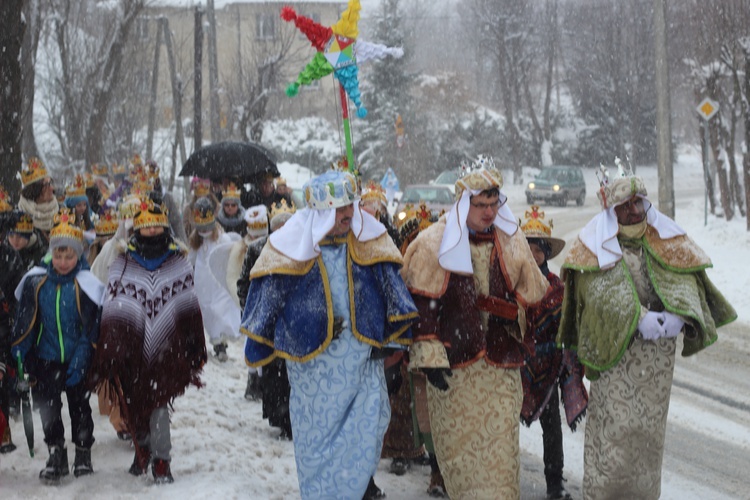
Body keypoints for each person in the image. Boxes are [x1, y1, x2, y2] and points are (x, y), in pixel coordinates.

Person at [557, 160, 737, 499]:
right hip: (615, 359)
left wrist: (679, 317)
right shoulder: (595, 244)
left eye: (637, 203)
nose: (632, 211)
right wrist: (636, 317)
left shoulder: (666, 239)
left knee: (647, 437)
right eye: (624, 206)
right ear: (612, 208)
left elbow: (687, 285)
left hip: (655, 364)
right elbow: (593, 296)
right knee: (614, 435)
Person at [241, 169, 418, 499]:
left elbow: (392, 293)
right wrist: (267, 342)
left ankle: (357, 490)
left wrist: (389, 341)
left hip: (360, 368)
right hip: (313, 376)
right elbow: (268, 301)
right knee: (317, 447)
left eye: (350, 205)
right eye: (339, 208)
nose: (349, 213)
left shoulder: (369, 241)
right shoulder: (290, 248)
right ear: (320, 213)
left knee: (364, 434)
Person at [401, 155, 549, 499]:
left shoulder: (511, 241)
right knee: (464, 468)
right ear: (463, 202)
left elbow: (534, 297)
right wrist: (429, 356)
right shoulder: (433, 243)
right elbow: (422, 307)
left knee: (500, 467)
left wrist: (512, 314)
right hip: (456, 375)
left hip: (500, 372)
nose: (489, 213)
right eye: (480, 204)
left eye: (494, 204)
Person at [89, 197, 206, 483]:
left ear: (164, 227)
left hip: (168, 349)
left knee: (159, 401)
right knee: (135, 401)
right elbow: (114, 304)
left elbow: (187, 304)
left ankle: (162, 460)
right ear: (136, 229)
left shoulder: (178, 262)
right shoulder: (122, 262)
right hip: (132, 347)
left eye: (157, 226)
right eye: (146, 226)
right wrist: (113, 345)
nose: (152, 231)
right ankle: (141, 447)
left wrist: (192, 343)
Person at [11, 207, 104, 482]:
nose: (63, 262)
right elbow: (26, 320)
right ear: (51, 253)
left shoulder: (86, 285)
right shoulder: (36, 282)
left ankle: (83, 453)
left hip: (78, 357)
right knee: (48, 408)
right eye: (59, 255)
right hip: (46, 357)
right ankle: (56, 454)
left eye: (70, 255)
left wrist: (83, 356)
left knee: (80, 408)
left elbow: (91, 328)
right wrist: (20, 351)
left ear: (79, 255)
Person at [518, 205, 588, 500]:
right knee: (506, 425)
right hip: (518, 366)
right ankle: (503, 479)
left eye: (539, 249)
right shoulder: (514, 285)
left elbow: (565, 325)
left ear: (546, 253)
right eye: (528, 248)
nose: (534, 255)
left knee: (551, 427)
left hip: (549, 367)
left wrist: (562, 355)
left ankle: (554, 484)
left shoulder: (556, 287)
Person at [236, 200, 294, 432]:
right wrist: (252, 310)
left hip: (292, 321)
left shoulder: (304, 249)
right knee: (272, 368)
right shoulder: (258, 249)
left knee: (291, 370)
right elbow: (244, 284)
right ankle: (277, 414)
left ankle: (291, 417)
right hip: (267, 321)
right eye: (278, 227)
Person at [188, 197, 241, 362]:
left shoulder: (222, 239)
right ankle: (212, 342)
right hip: (203, 285)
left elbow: (228, 258)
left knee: (221, 311)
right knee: (209, 313)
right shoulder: (195, 241)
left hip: (218, 283)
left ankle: (221, 345)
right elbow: (190, 260)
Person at [17, 157, 59, 239]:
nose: (52, 188)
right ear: (35, 190)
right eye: (46, 185)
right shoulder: (18, 217)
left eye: (51, 183)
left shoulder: (63, 211)